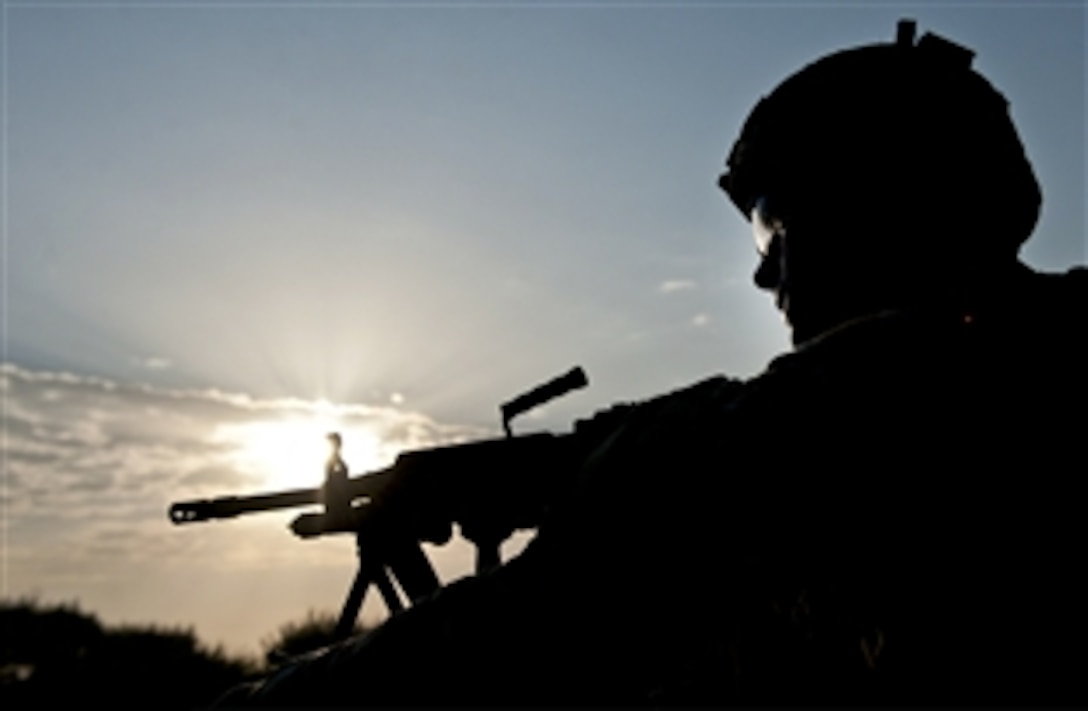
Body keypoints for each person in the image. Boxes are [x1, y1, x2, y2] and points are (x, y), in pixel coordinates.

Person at [217, 20, 1085, 706]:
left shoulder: (853, 406)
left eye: (774, 221)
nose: (762, 267)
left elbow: (525, 633)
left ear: (879, 199)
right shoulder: (1024, 351)